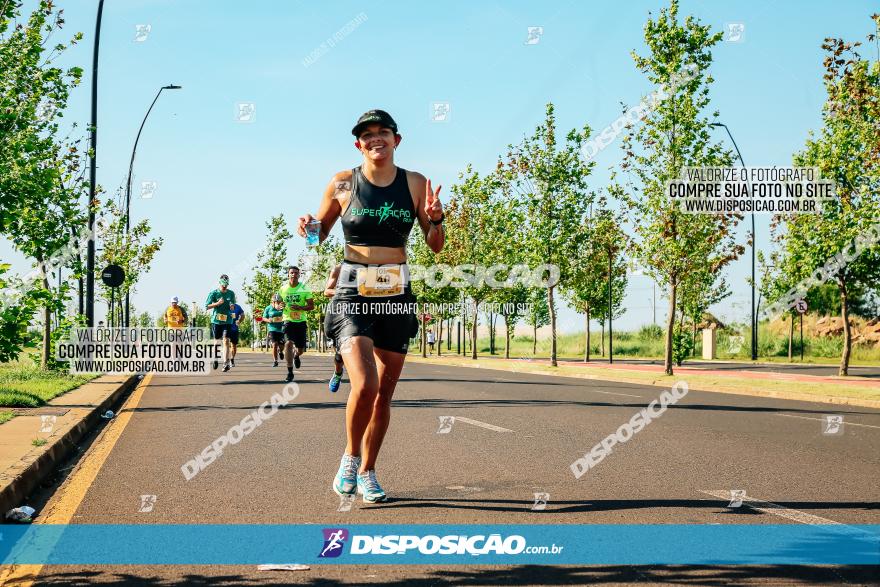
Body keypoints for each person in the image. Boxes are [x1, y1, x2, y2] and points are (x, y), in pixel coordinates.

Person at [298, 109, 445, 503]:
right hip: (352, 288)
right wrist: (309, 227)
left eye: (383, 132)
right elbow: (318, 237)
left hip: (395, 289)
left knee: (385, 393)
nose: (375, 138)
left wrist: (436, 219)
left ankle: (368, 471)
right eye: (367, 134)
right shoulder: (343, 182)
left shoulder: (415, 183)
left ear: (397, 139)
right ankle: (350, 456)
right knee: (365, 383)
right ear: (358, 144)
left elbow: (435, 245)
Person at [278, 266, 315, 382]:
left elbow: (311, 306)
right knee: (288, 343)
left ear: (299, 275)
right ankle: (290, 371)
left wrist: (300, 307)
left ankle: (296, 355)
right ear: (288, 275)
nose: (293, 274)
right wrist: (279, 306)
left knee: (301, 349)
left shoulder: (304, 288)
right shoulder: (283, 289)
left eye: (296, 273)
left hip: (301, 321)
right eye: (291, 273)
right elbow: (278, 304)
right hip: (288, 320)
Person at [205, 274, 236, 372]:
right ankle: (215, 358)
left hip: (227, 321)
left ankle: (225, 363)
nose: (225, 286)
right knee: (217, 342)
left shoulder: (231, 293)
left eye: (226, 284)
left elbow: (233, 306)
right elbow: (207, 306)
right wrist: (217, 304)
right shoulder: (214, 293)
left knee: (226, 341)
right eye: (223, 284)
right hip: (216, 321)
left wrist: (232, 306)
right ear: (220, 282)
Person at [323, 264, 345, 392]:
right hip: (342, 313)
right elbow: (327, 291)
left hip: (366, 312)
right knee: (341, 353)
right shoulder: (338, 269)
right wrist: (345, 292)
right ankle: (337, 373)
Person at [263, 294, 286, 367]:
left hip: (281, 329)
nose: (278, 303)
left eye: (280, 302)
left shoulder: (283, 308)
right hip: (272, 329)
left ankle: (281, 351)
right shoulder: (268, 308)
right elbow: (263, 318)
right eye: (277, 302)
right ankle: (275, 361)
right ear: (273, 302)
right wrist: (268, 320)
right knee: (275, 344)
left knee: (282, 345)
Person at [229, 301, 244, 367]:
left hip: (234, 329)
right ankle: (226, 360)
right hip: (225, 327)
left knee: (233, 345)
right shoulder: (224, 306)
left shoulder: (238, 307)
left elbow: (243, 315)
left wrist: (239, 320)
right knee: (225, 343)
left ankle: (232, 359)